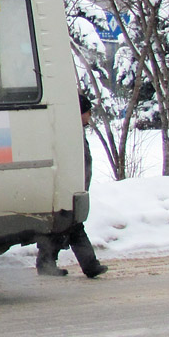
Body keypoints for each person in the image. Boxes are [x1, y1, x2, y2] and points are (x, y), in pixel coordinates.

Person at [36, 93, 108, 278]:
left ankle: (46, 263)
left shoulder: (73, 129)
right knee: (72, 226)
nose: (89, 116)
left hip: (73, 187)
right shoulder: (70, 132)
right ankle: (90, 266)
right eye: (88, 112)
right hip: (69, 188)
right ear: (79, 112)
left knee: (63, 227)